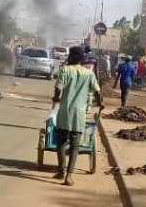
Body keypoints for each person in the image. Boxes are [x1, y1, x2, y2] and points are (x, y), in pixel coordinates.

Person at [52, 46, 102, 186]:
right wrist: (100, 104)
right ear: (82, 59)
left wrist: (56, 98)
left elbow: (58, 88)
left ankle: (61, 170)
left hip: (64, 113)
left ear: (71, 57)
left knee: (61, 142)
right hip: (79, 114)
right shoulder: (89, 73)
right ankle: (69, 176)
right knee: (75, 146)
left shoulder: (65, 70)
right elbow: (97, 92)